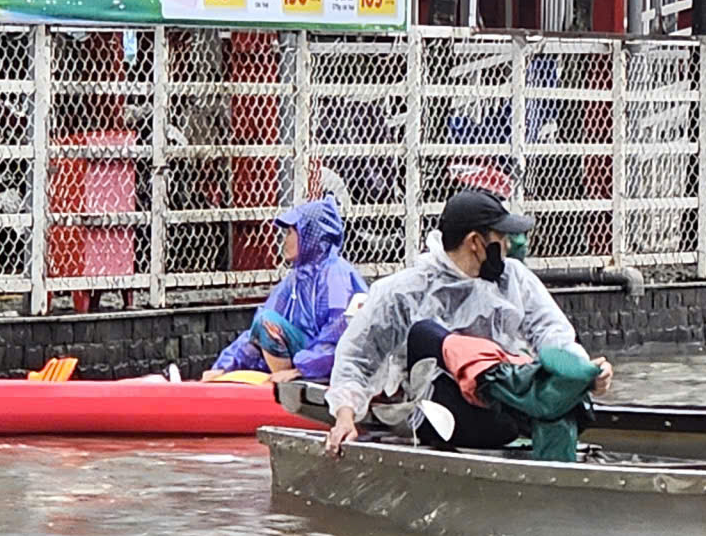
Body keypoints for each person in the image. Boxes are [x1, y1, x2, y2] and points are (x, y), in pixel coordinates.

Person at [323, 187, 613, 455]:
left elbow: (553, 334)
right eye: (500, 238)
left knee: (560, 387)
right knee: (424, 334)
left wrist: (585, 373)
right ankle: (513, 383)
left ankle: (537, 387)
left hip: (504, 415)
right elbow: (356, 360)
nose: (508, 245)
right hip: (441, 417)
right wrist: (345, 417)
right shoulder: (402, 291)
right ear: (476, 242)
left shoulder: (514, 278)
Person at [205, 197, 366, 382]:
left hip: (336, 367)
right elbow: (256, 331)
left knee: (268, 323)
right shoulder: (296, 278)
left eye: (290, 232)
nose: (285, 240)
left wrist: (301, 370)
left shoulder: (335, 274)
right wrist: (223, 367)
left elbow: (340, 335)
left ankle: (289, 386)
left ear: (311, 235)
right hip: (307, 358)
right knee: (266, 323)